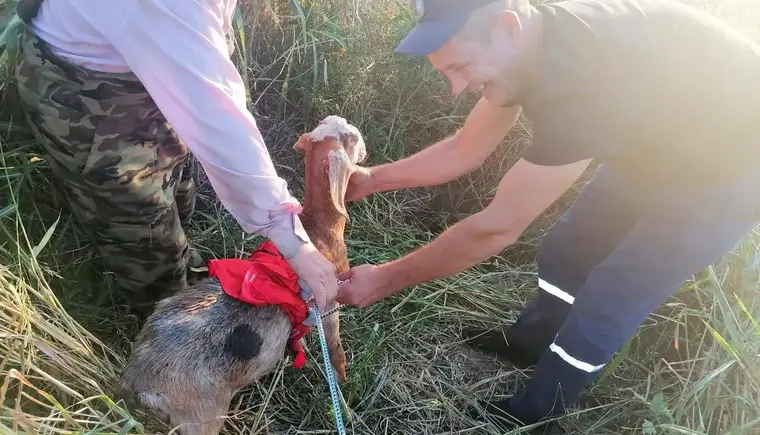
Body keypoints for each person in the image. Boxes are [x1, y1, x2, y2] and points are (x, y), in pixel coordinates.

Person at [336, 0, 760, 431]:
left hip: (732, 172)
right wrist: (370, 179)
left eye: (461, 66)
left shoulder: (583, 83)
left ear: (506, 27)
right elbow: (466, 148)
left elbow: (497, 227)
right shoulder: (527, 50)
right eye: (448, 73)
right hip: (657, 141)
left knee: (613, 291)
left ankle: (537, 413)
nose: (456, 88)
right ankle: (532, 340)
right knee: (571, 247)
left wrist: (384, 280)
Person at [11, 0, 339, 318]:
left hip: (135, 64)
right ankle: (168, 322)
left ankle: (180, 252)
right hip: (86, 97)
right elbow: (216, 120)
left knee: (179, 188)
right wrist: (294, 243)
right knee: (142, 222)